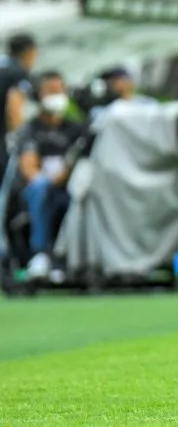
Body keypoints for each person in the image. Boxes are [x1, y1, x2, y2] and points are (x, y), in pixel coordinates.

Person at [17, 71, 84, 280]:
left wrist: (65, 175)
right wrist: (50, 180)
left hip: (70, 188)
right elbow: (29, 168)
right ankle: (41, 254)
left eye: (59, 90)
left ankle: (68, 259)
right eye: (50, 91)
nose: (56, 96)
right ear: (38, 95)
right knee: (40, 188)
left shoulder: (75, 128)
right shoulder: (30, 129)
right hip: (38, 190)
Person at [0, 34, 38, 178]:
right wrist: (18, 135)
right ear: (29, 51)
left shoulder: (3, 65)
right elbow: (13, 105)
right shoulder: (18, 72)